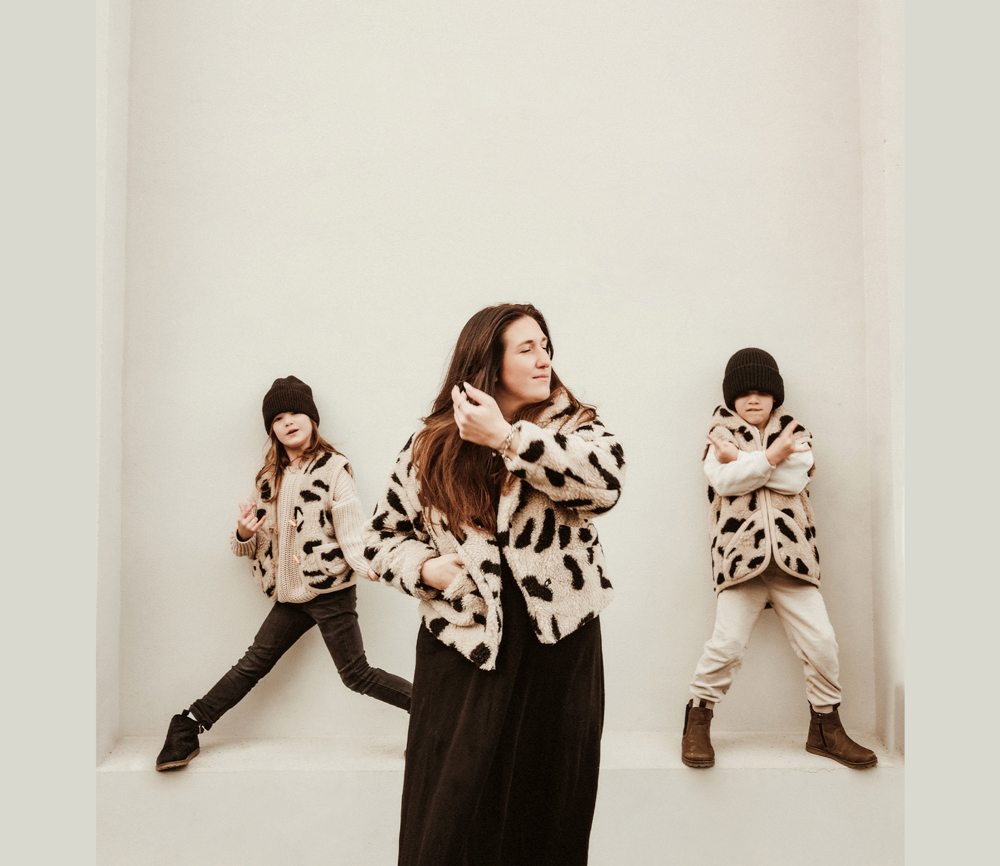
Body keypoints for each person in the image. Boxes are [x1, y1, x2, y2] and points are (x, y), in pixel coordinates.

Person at [364, 304, 625, 865]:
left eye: (545, 345)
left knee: (549, 805)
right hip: (465, 647)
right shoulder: (429, 446)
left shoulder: (574, 427)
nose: (543, 358)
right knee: (449, 814)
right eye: (527, 348)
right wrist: (425, 570)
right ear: (488, 361)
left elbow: (606, 485)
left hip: (559, 647)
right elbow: (379, 538)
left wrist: (508, 439)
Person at [155, 376, 412, 771]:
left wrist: (371, 566)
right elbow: (251, 547)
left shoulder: (334, 469)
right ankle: (188, 724)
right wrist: (244, 533)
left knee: (356, 674)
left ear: (311, 418)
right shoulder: (267, 479)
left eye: (295, 413)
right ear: (271, 429)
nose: (288, 421)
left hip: (329, 591)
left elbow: (352, 532)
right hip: (289, 595)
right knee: (252, 664)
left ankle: (434, 714)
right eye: (278, 418)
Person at [681, 348, 877, 770]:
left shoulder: (794, 432)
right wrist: (767, 458)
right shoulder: (719, 435)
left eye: (762, 392)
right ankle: (697, 719)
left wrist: (746, 462)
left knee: (821, 643)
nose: (753, 399)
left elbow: (794, 478)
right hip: (741, 562)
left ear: (775, 396)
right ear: (732, 398)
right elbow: (725, 481)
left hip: (793, 561)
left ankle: (825, 729)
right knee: (726, 645)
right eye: (744, 393)